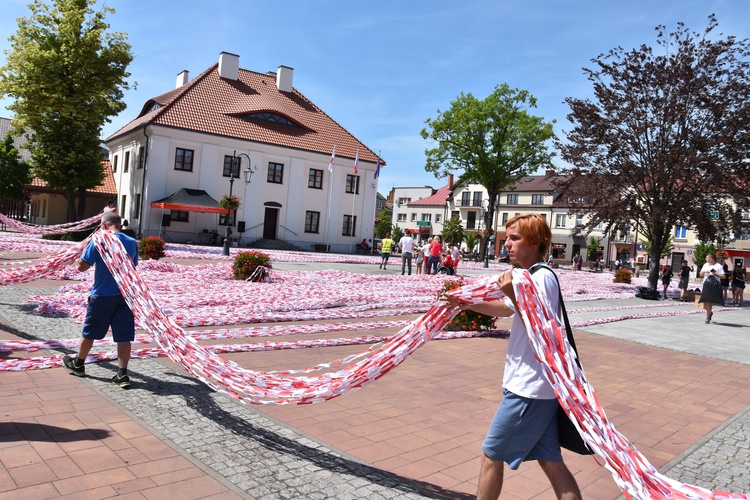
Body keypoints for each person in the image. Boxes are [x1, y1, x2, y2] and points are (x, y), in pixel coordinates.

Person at [443, 213, 582, 499]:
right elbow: (506, 309)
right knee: (551, 462)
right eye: (507, 238)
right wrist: (465, 302)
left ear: (537, 242)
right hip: (534, 387)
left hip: (529, 389)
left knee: (490, 455)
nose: (507, 244)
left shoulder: (542, 278)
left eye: (515, 238)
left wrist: (511, 291)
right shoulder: (530, 276)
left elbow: (538, 320)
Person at [63, 212, 138, 388]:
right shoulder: (132, 242)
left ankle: (78, 364)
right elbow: (133, 267)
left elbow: (81, 267)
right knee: (123, 336)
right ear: (119, 225)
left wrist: (85, 247)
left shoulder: (98, 240)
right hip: (125, 296)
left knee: (90, 332)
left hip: (102, 295)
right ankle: (122, 374)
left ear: (103, 225)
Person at [698, 253, 725, 324]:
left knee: (709, 302)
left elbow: (724, 276)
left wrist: (715, 274)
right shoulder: (705, 265)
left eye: (707, 258)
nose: (706, 259)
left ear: (711, 258)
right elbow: (700, 274)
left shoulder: (718, 266)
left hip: (713, 285)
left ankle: (707, 318)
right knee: (704, 302)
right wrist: (704, 271)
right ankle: (709, 312)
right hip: (705, 284)